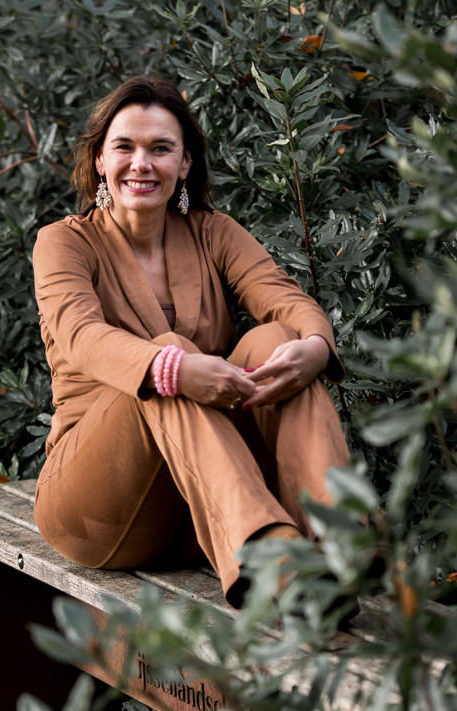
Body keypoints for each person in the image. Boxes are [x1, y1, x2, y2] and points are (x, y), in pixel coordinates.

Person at [31, 76, 350, 607]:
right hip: (98, 508)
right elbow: (81, 336)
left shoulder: (213, 232)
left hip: (200, 511)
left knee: (278, 337)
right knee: (167, 357)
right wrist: (174, 370)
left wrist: (316, 346)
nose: (141, 163)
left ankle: (336, 539)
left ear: (184, 164)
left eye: (160, 149)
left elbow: (284, 300)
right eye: (125, 147)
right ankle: (272, 558)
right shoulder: (64, 242)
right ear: (100, 161)